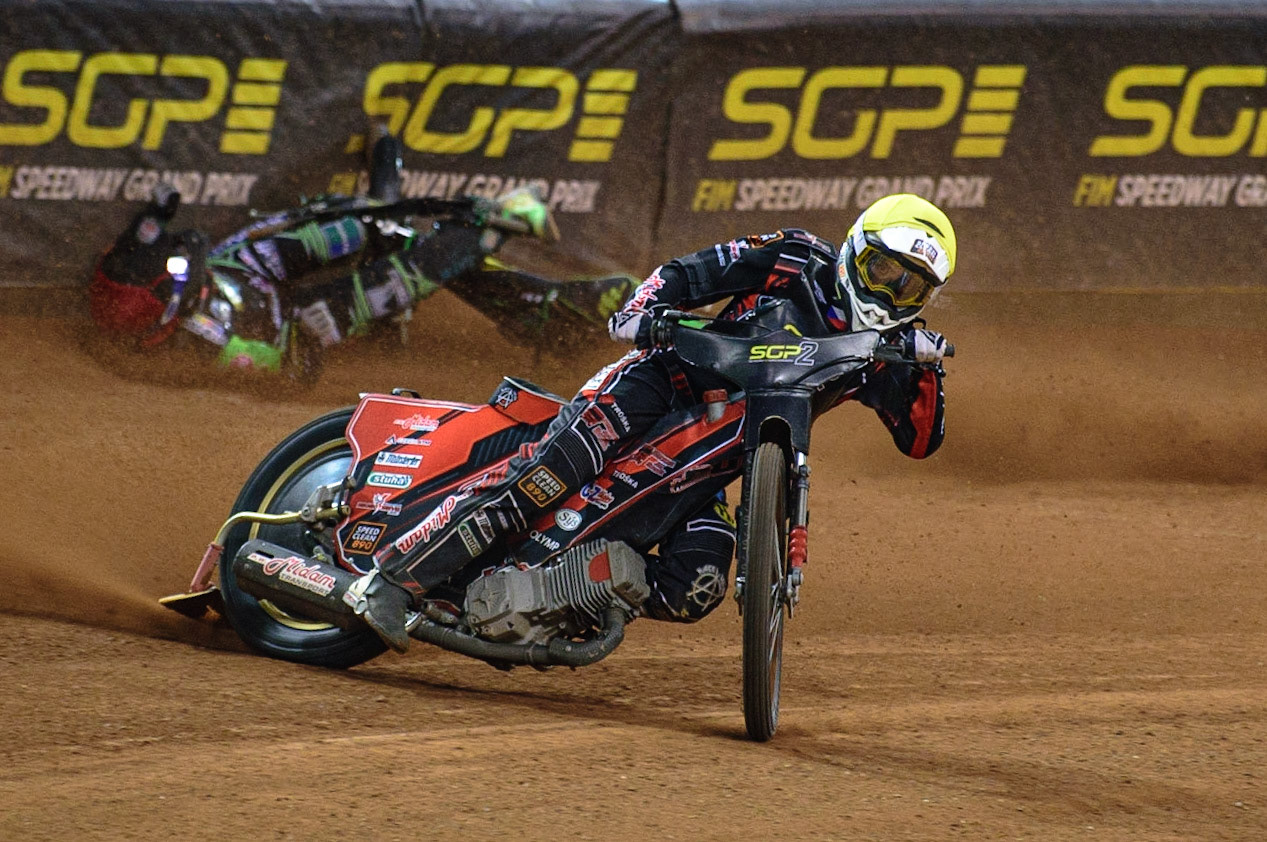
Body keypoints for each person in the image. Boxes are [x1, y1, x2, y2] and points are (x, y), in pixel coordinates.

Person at [352, 192, 959, 652]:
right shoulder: (795, 256)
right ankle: (390, 581)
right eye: (884, 271)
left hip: (713, 459)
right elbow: (688, 273)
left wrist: (927, 363)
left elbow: (920, 439)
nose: (891, 293)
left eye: (912, 289)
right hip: (658, 385)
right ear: (857, 247)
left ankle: (557, 598)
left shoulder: (881, 349)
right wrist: (646, 313)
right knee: (550, 473)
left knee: (694, 583)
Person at [88, 133, 556, 379]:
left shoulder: (130, 273)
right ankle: (489, 234)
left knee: (360, 226)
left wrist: (158, 207)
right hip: (280, 324)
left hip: (240, 267)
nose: (170, 262)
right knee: (371, 291)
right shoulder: (200, 347)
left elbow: (147, 227)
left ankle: (383, 200)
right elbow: (277, 369)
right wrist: (289, 353)